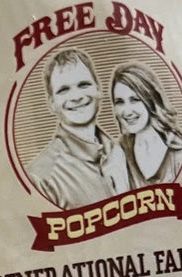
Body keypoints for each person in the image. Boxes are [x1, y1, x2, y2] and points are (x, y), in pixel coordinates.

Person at [28, 49, 126, 209]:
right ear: (51, 103)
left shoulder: (121, 153)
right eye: (63, 90)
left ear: (98, 89)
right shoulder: (40, 177)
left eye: (83, 85)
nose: (76, 97)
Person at [108, 62, 182, 189]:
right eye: (119, 102)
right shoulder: (119, 151)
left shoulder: (178, 152)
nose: (127, 111)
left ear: (151, 100)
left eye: (135, 100)